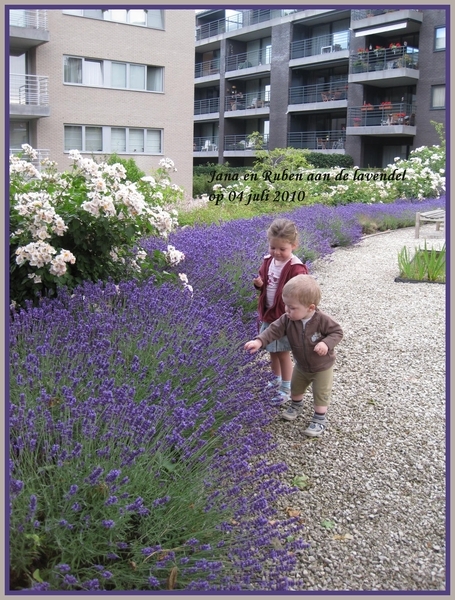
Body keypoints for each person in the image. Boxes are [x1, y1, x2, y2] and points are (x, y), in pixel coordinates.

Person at [245, 274, 343, 437]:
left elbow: (337, 332)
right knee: (296, 388)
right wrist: (259, 341)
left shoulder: (322, 320)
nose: (287, 311)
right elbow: (273, 330)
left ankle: (319, 419)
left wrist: (326, 343)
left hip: (322, 367)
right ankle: (296, 405)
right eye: (286, 306)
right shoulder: (288, 319)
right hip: (301, 365)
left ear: (310, 308)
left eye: (292, 308)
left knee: (321, 392)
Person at [253, 218, 308, 401]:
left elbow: (303, 292)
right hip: (269, 313)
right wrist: (259, 284)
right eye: (272, 247)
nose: (276, 252)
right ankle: (275, 380)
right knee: (272, 350)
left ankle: (287, 387)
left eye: (282, 249)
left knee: (283, 353)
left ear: (294, 245)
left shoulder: (296, 267)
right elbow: (264, 280)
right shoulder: (268, 261)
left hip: (285, 318)